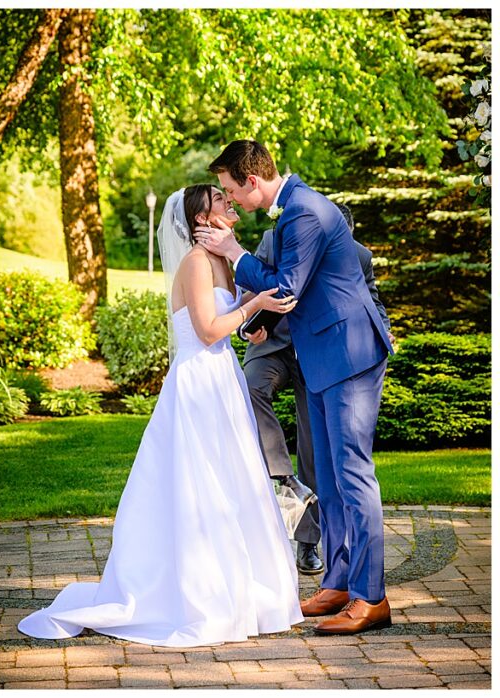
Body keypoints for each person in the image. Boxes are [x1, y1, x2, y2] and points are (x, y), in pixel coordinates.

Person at [17, 185, 303, 647]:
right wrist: (254, 305)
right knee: (199, 484)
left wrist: (250, 325)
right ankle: (194, 592)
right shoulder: (194, 262)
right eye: (219, 198)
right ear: (198, 218)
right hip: (197, 384)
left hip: (221, 380)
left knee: (231, 482)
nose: (229, 202)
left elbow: (222, 325)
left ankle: (242, 586)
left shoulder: (221, 261)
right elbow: (208, 331)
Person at [198, 140, 394, 635]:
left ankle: (371, 598)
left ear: (251, 181)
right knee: (327, 477)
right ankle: (339, 581)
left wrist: (234, 252)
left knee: (353, 475)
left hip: (348, 355)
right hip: (323, 356)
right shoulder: (294, 209)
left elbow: (286, 289)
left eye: (229, 190)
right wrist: (255, 321)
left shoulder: (304, 212)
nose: (231, 201)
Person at [240, 202, 391, 577]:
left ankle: (308, 543)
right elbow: (249, 293)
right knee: (250, 386)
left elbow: (371, 300)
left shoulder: (358, 256)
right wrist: (252, 325)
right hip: (274, 345)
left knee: (315, 450)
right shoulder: (275, 240)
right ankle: (280, 472)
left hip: (321, 356)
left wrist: (382, 329)